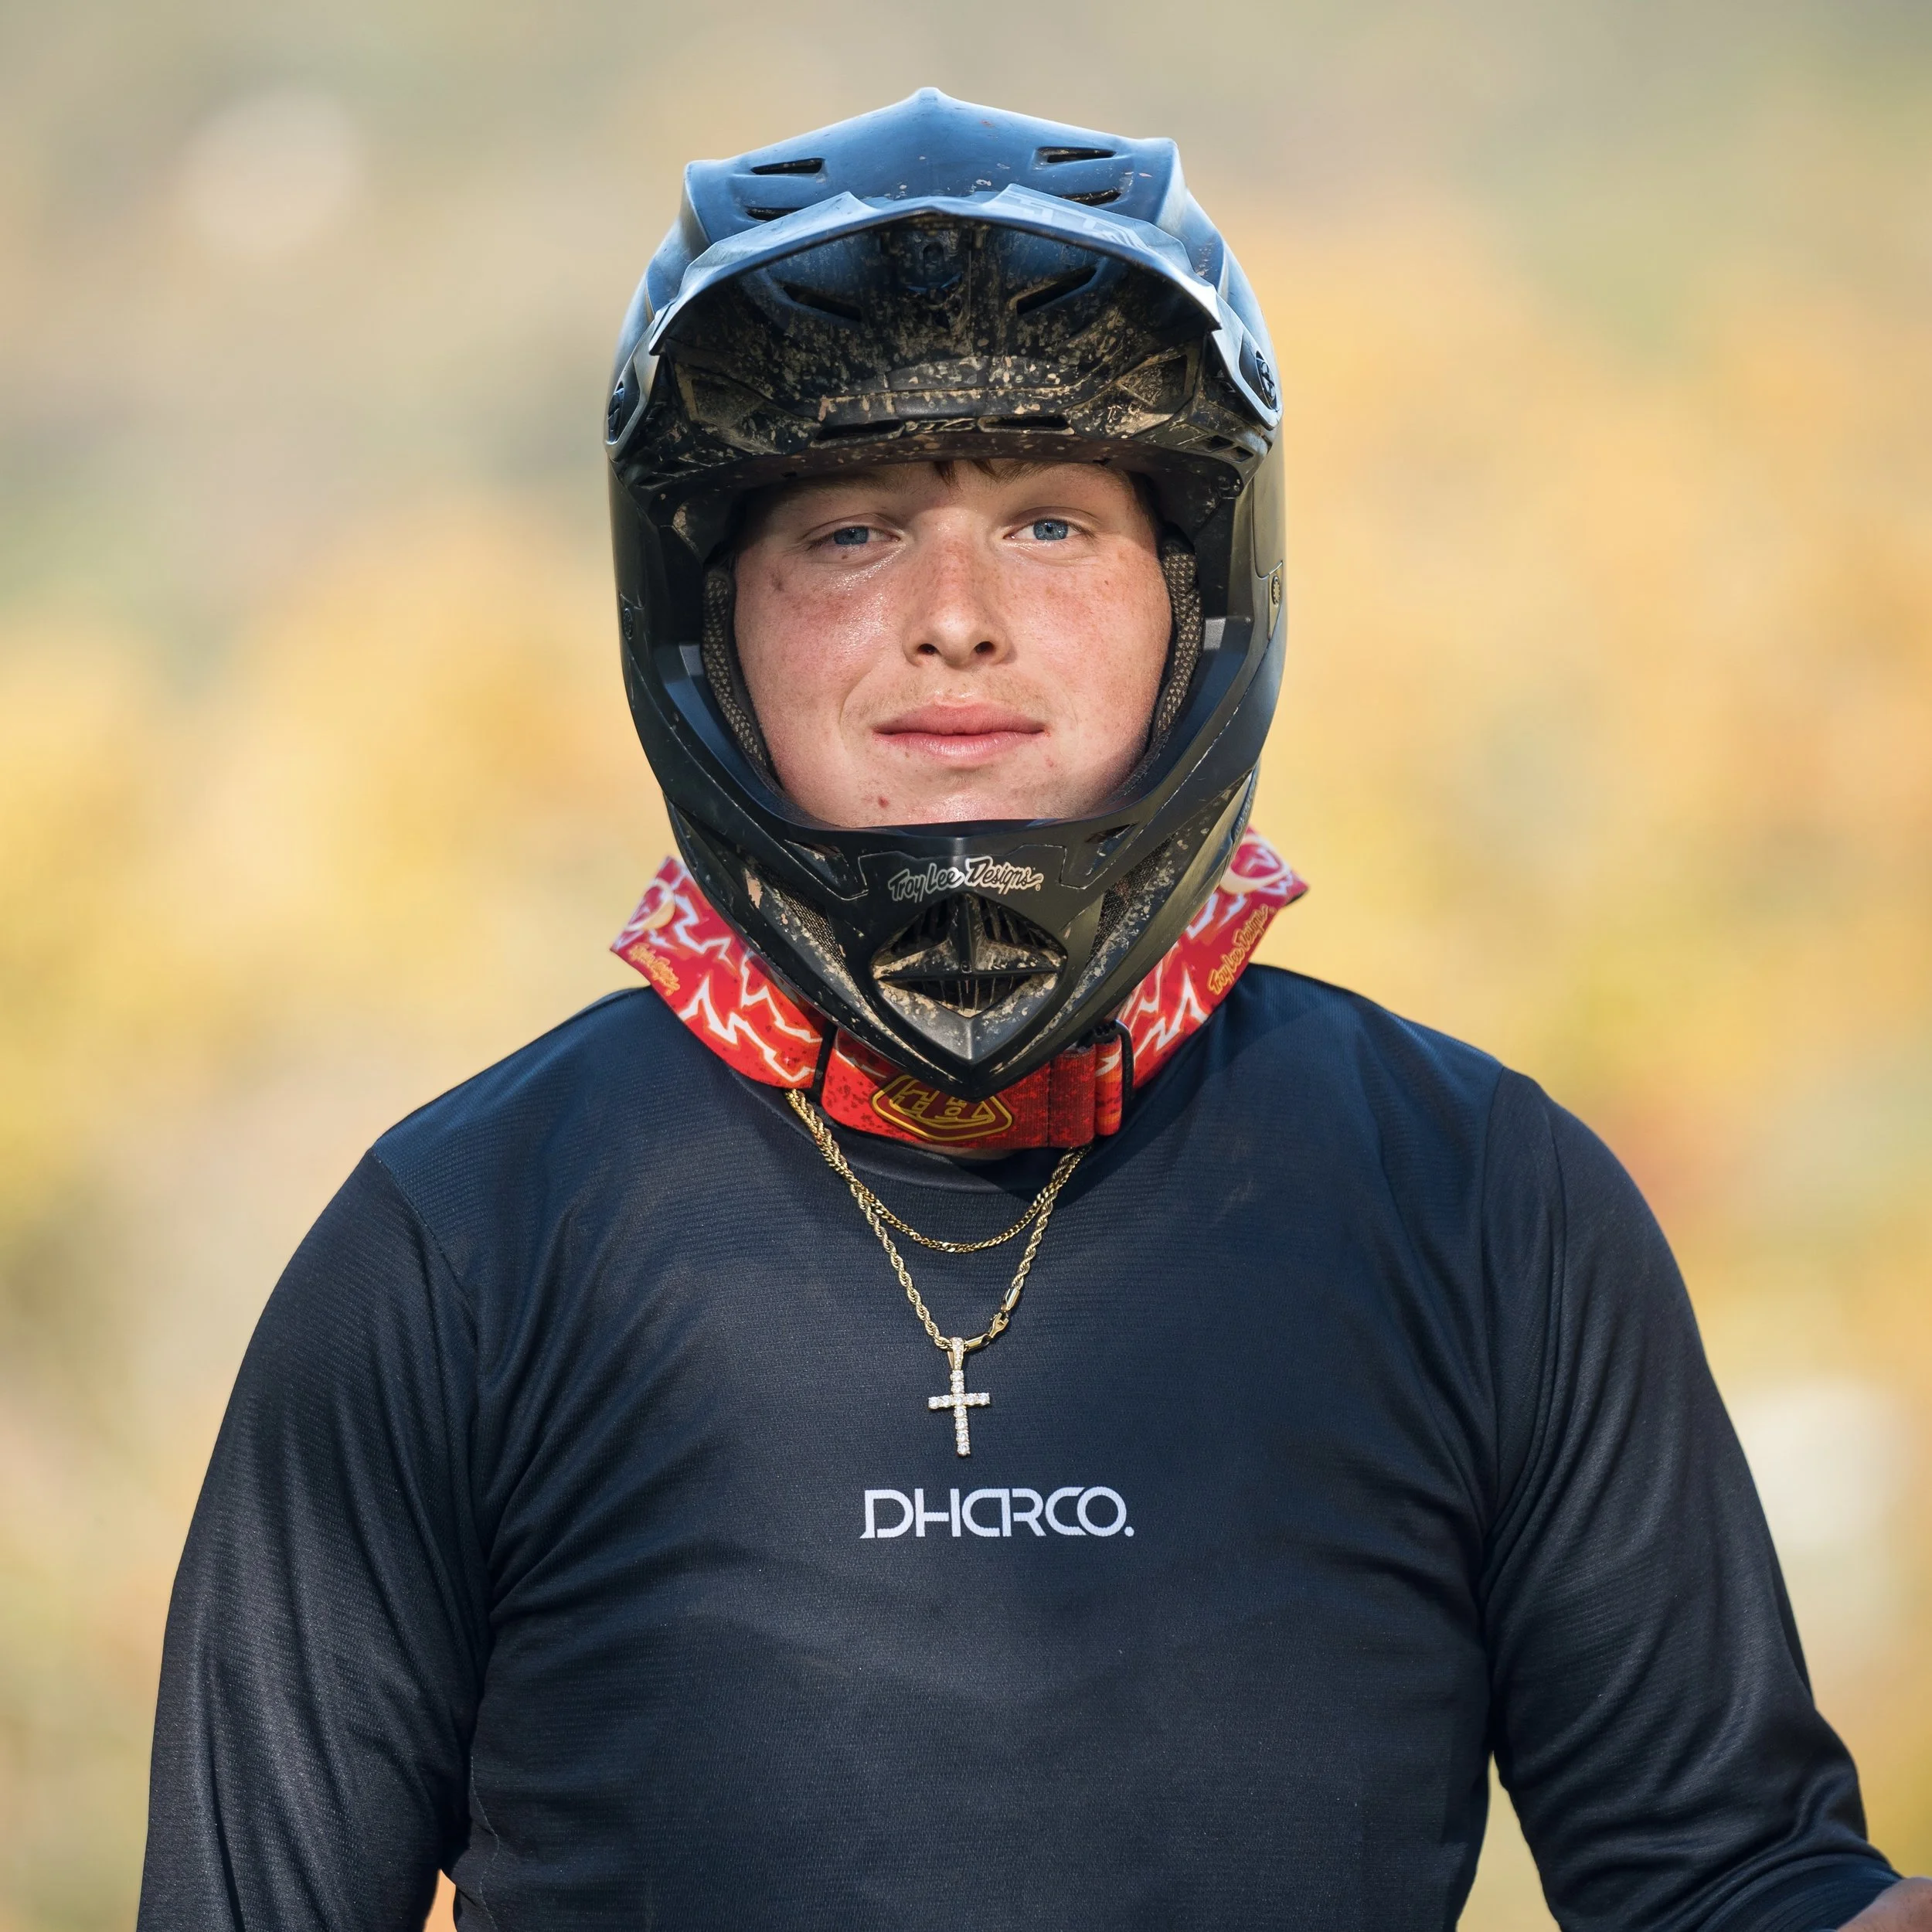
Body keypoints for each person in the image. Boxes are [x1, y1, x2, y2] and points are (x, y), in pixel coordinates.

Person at [137, 90, 1930, 1932]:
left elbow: (1732, 1885)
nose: (955, 616)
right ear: (711, 618)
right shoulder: (455, 1246)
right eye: (848, 531)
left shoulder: (1487, 1202)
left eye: (1053, 522)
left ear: (1189, 596)